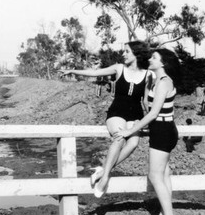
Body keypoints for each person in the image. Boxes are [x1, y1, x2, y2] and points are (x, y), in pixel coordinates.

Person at [59, 41, 150, 197]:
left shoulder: (148, 75)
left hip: (136, 115)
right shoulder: (119, 68)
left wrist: (149, 119)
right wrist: (72, 70)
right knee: (120, 137)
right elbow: (95, 72)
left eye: (127, 51)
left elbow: (147, 101)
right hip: (117, 112)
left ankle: (102, 170)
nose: (124, 54)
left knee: (133, 143)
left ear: (136, 54)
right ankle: (105, 177)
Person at [115, 48, 180, 215]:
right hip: (161, 130)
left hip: (163, 131)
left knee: (154, 176)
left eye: (154, 57)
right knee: (164, 175)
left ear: (163, 63)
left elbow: (153, 113)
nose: (150, 59)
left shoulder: (164, 82)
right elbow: (147, 105)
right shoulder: (157, 80)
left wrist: (130, 131)